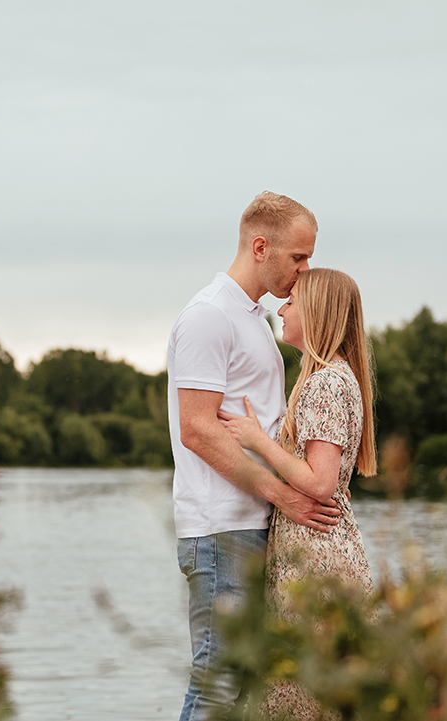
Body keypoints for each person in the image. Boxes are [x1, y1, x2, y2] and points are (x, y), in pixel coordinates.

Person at [168, 192, 342, 721]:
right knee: (218, 683)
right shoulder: (208, 316)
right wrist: (283, 494)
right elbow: (197, 430)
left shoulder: (255, 320)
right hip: (222, 528)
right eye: (298, 257)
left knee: (246, 690)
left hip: (252, 524)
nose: (305, 270)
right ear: (260, 247)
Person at [218, 267, 378, 720]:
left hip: (318, 555)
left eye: (292, 302)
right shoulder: (331, 378)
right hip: (315, 547)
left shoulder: (326, 383)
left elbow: (320, 481)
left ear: (319, 313)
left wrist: (257, 439)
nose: (281, 308)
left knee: (305, 693)